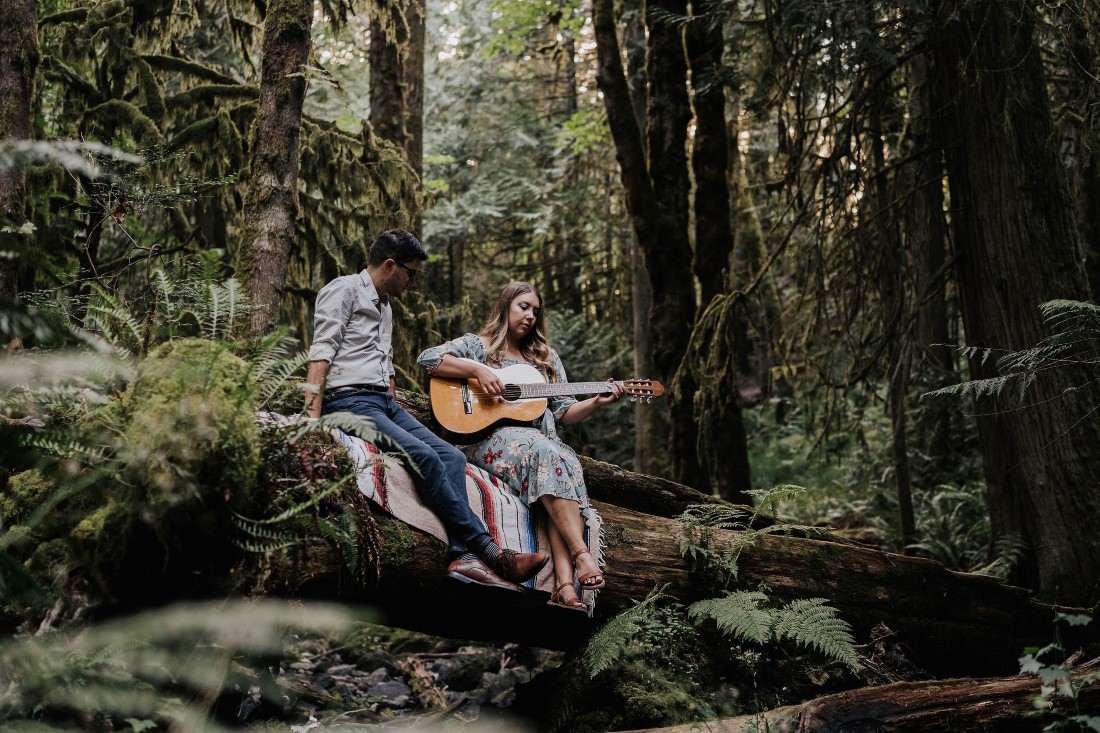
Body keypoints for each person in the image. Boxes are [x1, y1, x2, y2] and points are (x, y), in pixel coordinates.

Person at [304, 230, 548, 593]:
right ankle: (494, 555)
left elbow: (385, 369)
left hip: (382, 405)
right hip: (349, 403)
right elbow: (321, 352)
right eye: (411, 273)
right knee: (424, 458)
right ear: (390, 265)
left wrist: (393, 408)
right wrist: (311, 419)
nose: (412, 281)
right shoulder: (344, 291)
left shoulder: (385, 306)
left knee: (449, 456)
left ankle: (461, 556)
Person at [418, 281, 624, 613]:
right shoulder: (478, 346)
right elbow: (428, 360)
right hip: (486, 439)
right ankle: (581, 556)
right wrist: (477, 369)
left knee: (560, 459)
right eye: (523, 307)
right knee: (546, 453)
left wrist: (596, 402)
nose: (530, 316)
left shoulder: (545, 357)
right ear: (505, 307)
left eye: (536, 311)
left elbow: (564, 412)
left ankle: (565, 589)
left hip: (537, 446)